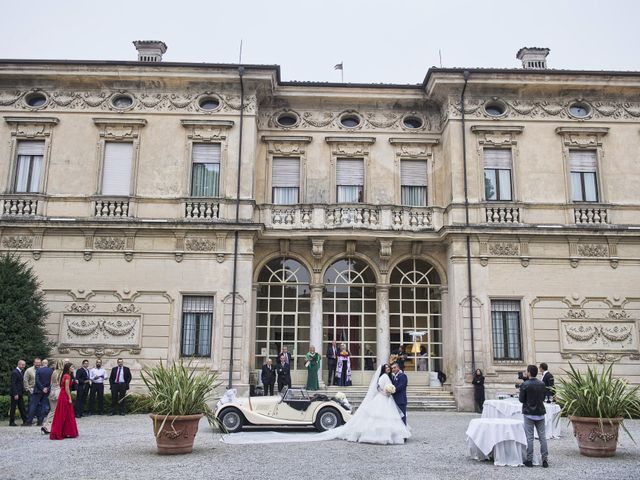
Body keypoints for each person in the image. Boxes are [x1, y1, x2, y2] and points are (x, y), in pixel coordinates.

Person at [222, 364, 411, 445]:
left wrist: (389, 390)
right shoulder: (387, 377)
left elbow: (391, 387)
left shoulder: (395, 376)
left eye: (392, 368)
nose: (391, 369)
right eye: (390, 368)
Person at [519, 364, 549, 468]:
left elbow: (521, 400)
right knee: (542, 437)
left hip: (529, 414)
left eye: (527, 371)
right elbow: (543, 397)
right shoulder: (542, 383)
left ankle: (529, 460)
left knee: (530, 438)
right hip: (540, 413)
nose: (526, 373)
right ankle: (545, 460)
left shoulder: (525, 384)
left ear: (529, 372)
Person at [49, 362, 79, 440]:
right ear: (68, 368)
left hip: (62, 394)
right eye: (72, 367)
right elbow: (66, 388)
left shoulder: (65, 375)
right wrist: (69, 397)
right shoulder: (67, 376)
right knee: (64, 414)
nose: (73, 368)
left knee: (65, 413)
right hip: (64, 395)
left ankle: (65, 431)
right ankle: (62, 432)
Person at [26, 358, 52, 427]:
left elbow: (37, 381)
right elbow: (51, 382)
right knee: (44, 406)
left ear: (42, 363)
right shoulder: (51, 370)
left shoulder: (38, 370)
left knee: (33, 406)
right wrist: (47, 388)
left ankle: (29, 421)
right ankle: (40, 422)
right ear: (47, 363)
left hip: (38, 390)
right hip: (46, 391)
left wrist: (42, 388)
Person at [42, 360, 64, 435]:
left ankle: (47, 425)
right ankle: (48, 426)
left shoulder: (54, 372)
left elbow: (51, 383)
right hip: (58, 392)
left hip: (52, 392)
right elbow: (61, 383)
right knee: (56, 411)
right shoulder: (61, 373)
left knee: (52, 410)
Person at [22, 357, 41, 425]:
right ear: (34, 363)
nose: (38, 364)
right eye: (36, 363)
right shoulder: (29, 370)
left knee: (39, 406)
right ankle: (29, 421)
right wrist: (27, 389)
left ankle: (39, 421)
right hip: (32, 390)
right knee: (31, 406)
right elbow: (25, 380)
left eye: (39, 363)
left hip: (40, 391)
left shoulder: (42, 370)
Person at [9, 360, 27, 426]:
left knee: (22, 407)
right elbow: (13, 384)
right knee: (13, 408)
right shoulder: (15, 372)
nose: (23, 366)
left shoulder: (21, 372)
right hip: (16, 394)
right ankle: (11, 422)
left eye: (24, 365)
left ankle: (25, 421)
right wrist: (15, 393)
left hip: (20, 393)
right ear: (18, 364)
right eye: (22, 365)